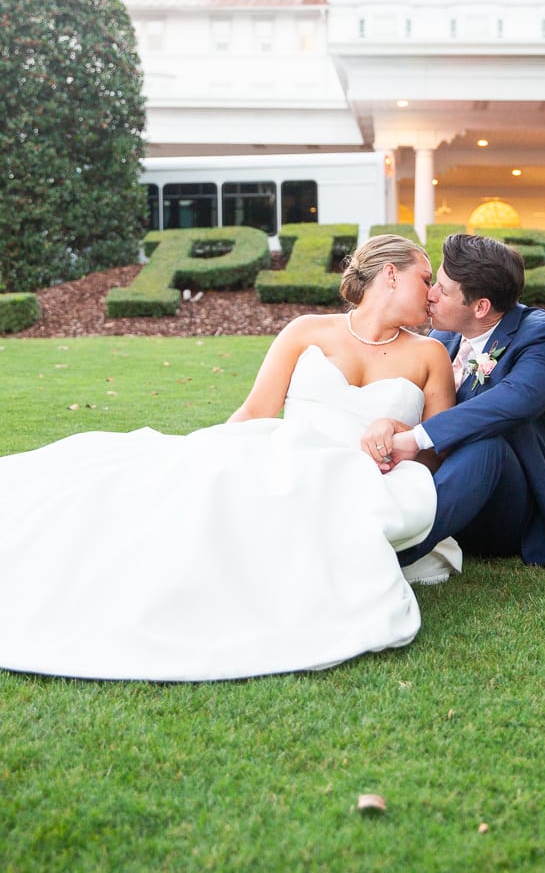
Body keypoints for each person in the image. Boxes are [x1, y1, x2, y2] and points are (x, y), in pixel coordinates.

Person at [0, 235, 455, 682]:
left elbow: (437, 449)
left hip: (360, 476)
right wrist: (203, 449)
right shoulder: (306, 330)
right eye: (425, 278)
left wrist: (397, 431)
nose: (433, 292)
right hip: (281, 452)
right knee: (178, 490)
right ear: (391, 275)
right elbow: (256, 411)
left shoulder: (430, 353)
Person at [361, 233, 545, 583]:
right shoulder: (442, 338)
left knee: (487, 444)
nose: (430, 294)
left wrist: (417, 438)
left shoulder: (542, 337)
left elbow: (515, 400)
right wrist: (395, 427)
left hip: (509, 511)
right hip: (444, 492)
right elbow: (428, 410)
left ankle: (387, 557)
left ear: (480, 307)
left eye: (443, 290)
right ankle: (359, 524)